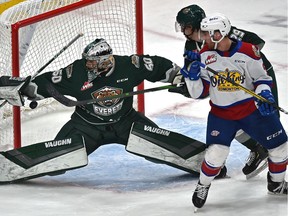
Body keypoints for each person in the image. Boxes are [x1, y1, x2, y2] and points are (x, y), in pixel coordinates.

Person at [0, 38, 219, 182]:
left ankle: (211, 164)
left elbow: (160, 67)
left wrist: (180, 79)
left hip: (126, 121)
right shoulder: (75, 72)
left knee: (155, 148)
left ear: (105, 62)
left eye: (92, 63)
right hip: (85, 127)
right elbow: (45, 84)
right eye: (87, 62)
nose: (87, 66)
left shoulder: (129, 65)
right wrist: (23, 88)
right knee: (58, 163)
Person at [180, 13, 287, 210]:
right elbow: (199, 93)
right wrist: (193, 77)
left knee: (281, 147)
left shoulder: (247, 51)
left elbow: (262, 79)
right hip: (222, 115)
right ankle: (203, 185)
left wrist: (265, 95)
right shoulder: (204, 55)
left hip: (251, 111)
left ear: (219, 33)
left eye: (206, 33)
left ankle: (276, 184)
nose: (202, 37)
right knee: (216, 154)